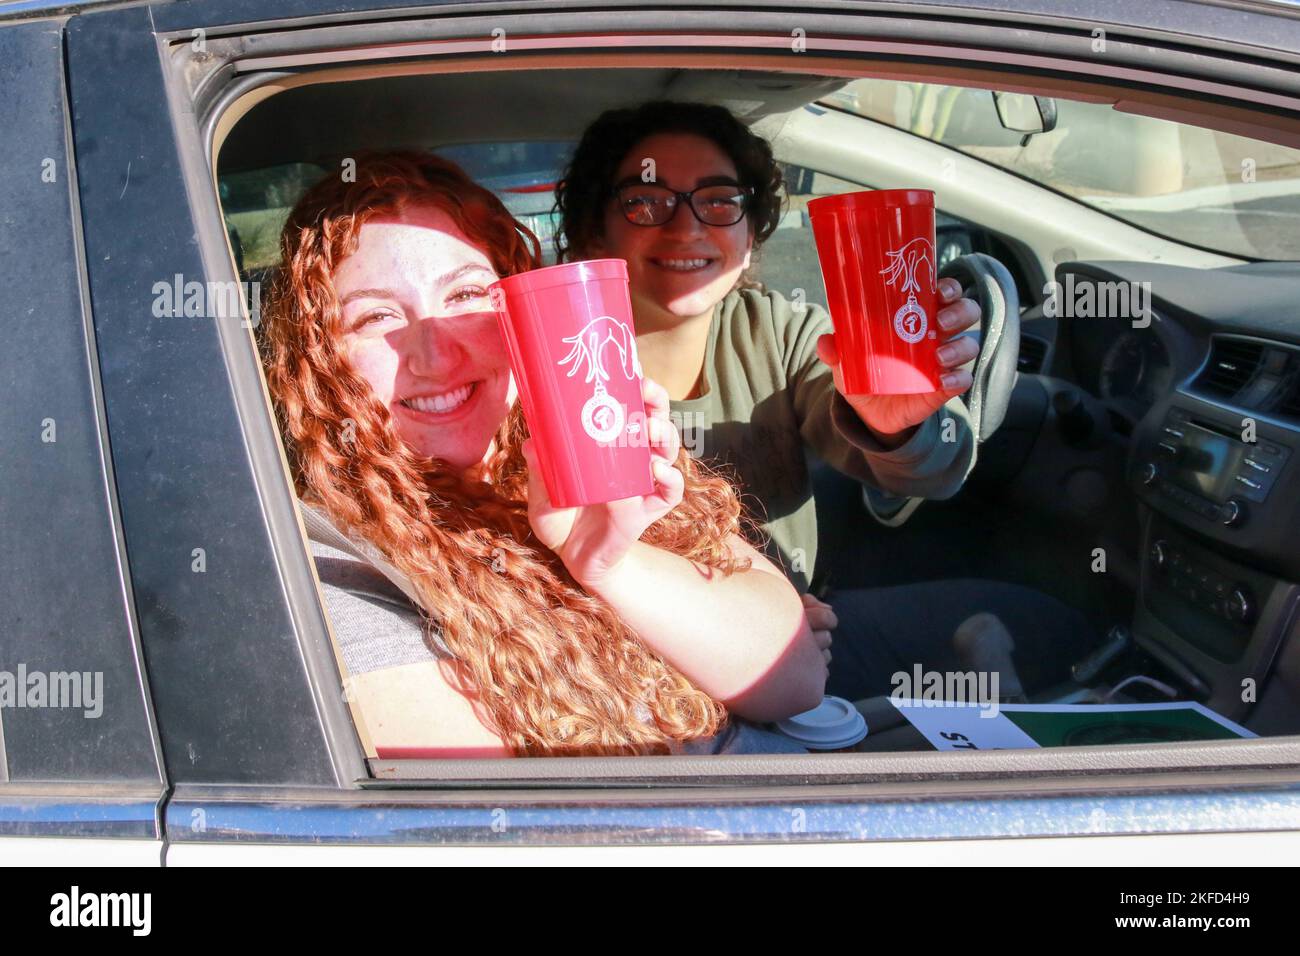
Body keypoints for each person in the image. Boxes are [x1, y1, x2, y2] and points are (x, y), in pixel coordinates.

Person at [257, 150, 824, 758]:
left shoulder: (592, 442)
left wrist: (614, 565)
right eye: (375, 317)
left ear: (524, 310)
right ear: (319, 365)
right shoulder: (332, 567)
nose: (436, 353)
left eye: (466, 296)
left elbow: (794, 680)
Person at [555, 102, 1098, 700]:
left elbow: (936, 472)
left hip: (797, 641)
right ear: (594, 224)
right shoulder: (553, 354)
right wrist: (748, 632)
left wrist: (894, 427)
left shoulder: (781, 333)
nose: (686, 228)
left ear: (751, 226)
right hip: (612, 662)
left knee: (1045, 622)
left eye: (719, 200)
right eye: (646, 200)